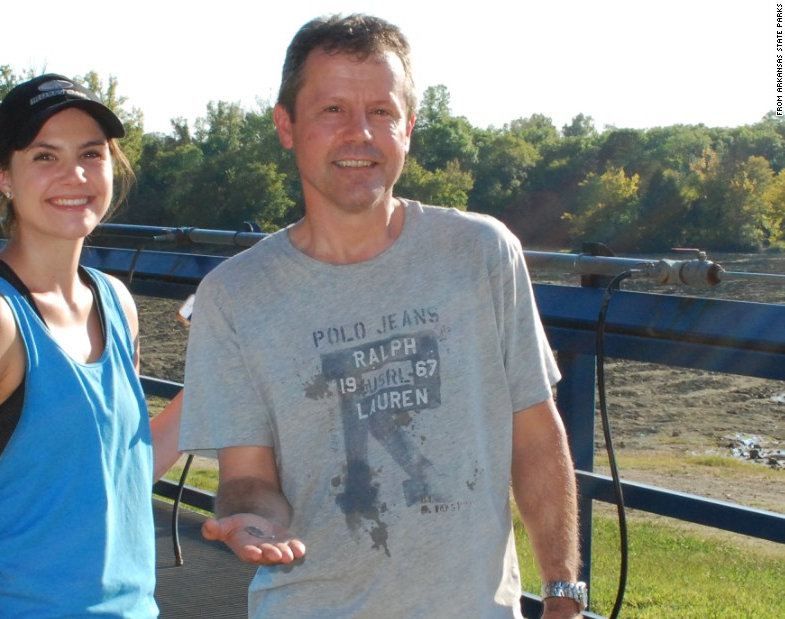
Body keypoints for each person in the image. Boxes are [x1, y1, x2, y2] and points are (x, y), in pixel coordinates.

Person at [178, 14, 585, 619]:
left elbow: (534, 431)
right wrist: (249, 520)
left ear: (409, 128)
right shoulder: (233, 295)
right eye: (333, 110)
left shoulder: (481, 252)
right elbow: (247, 475)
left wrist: (563, 591)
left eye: (383, 112)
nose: (360, 134)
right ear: (286, 125)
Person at [0, 73, 183, 618]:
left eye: (92, 154)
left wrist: (213, 375)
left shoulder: (116, 303)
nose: (75, 175)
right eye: (45, 156)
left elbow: (121, 474)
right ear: (5, 177)